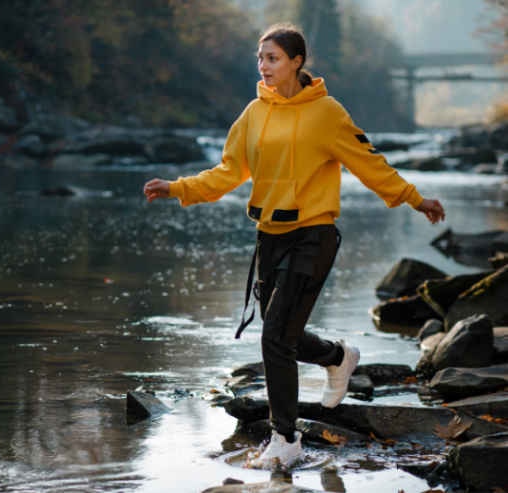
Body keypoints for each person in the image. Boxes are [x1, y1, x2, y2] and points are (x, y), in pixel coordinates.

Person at [142, 22, 445, 469]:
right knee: (281, 332)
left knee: (275, 337)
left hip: (313, 236)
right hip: (270, 237)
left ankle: (285, 438)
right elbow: (227, 172)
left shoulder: (327, 113)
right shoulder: (253, 113)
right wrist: (177, 188)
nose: (263, 67)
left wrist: (415, 199)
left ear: (297, 62)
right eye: (260, 58)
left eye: (273, 58)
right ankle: (340, 357)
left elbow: (369, 163)